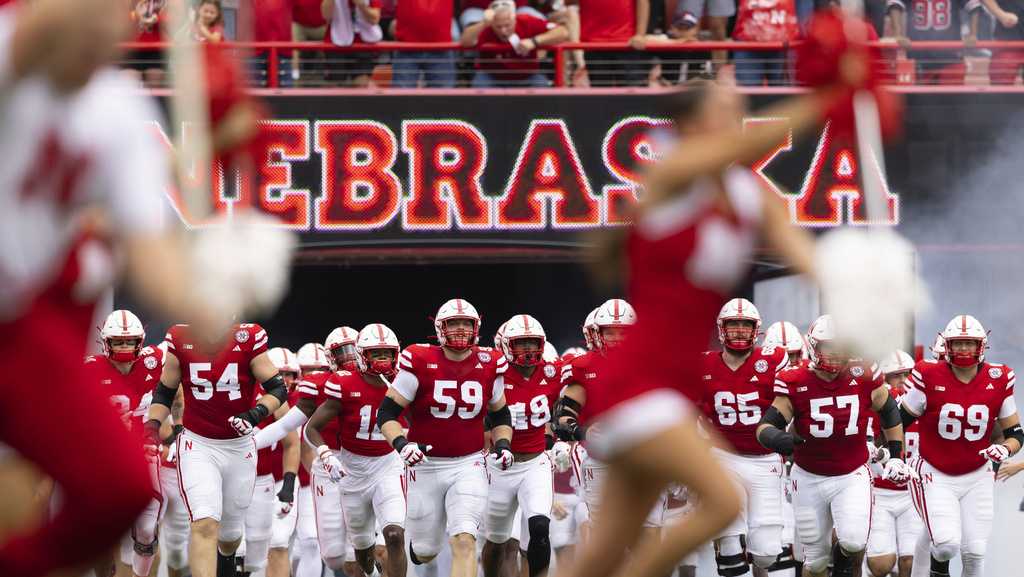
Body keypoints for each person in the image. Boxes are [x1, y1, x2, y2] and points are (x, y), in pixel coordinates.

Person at [555, 57, 879, 577]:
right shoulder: (669, 171)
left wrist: (864, 299)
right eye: (728, 108)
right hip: (640, 381)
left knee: (597, 557)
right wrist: (830, 98)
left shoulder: (754, 196)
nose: (739, 116)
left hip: (672, 387)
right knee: (726, 500)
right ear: (691, 122)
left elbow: (810, 260)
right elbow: (742, 148)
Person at [0, 0, 282, 573]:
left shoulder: (117, 110)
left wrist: (203, 306)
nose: (102, 27)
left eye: (117, 14)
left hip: (27, 327)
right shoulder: (11, 52)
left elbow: (147, 246)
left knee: (119, 489)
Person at [756, 315, 914, 577]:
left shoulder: (863, 373)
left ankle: (841, 563)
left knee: (853, 541)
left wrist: (896, 454)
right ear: (813, 347)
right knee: (815, 562)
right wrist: (777, 438)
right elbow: (764, 427)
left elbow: (888, 411)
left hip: (851, 473)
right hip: (808, 476)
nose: (835, 353)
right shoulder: (795, 380)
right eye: (828, 347)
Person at [376, 298, 514, 577]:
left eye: (466, 324)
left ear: (476, 328)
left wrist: (502, 445)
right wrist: (402, 445)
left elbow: (500, 415)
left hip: (470, 464)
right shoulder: (420, 359)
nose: (461, 329)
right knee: (426, 550)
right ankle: (418, 550)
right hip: (426, 466)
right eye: (454, 323)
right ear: (441, 328)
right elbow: (387, 414)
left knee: (465, 540)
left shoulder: (490, 363)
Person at [144, 322, 288, 577]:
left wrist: (256, 413)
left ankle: (226, 558)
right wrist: (152, 427)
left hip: (238, 446)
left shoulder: (247, 337)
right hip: (198, 444)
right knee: (204, 523)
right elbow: (165, 392)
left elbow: (277, 388)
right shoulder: (180, 337)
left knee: (231, 535)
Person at [900, 315, 1022, 577]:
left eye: (969, 343)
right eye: (958, 343)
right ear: (948, 346)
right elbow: (899, 419)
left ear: (981, 346)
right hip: (935, 471)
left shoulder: (999, 377)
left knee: (975, 552)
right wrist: (888, 452)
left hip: (977, 474)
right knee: (945, 545)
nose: (964, 349)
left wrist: (1005, 449)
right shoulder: (927, 373)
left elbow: (1015, 433)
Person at [306, 323, 409, 577]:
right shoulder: (343, 383)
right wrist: (326, 454)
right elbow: (311, 428)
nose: (383, 359)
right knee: (361, 549)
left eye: (387, 353)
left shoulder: (404, 381)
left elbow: (422, 419)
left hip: (388, 465)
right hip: (353, 471)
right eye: (376, 353)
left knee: (394, 535)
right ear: (363, 356)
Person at [698, 299, 789, 577]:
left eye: (745, 324)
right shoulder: (704, 364)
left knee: (767, 553)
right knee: (729, 545)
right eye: (733, 324)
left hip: (765, 459)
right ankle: (727, 550)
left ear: (755, 329)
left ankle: (753, 552)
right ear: (722, 329)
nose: (739, 330)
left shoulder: (773, 360)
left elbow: (792, 402)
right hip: (723, 455)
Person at [84, 310, 170, 577]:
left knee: (146, 529)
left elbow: (178, 370)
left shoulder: (154, 361)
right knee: (100, 530)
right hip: (104, 455)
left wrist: (173, 427)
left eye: (130, 341)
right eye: (119, 342)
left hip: (143, 450)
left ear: (140, 342)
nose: (124, 347)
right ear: (106, 343)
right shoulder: (89, 368)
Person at [483, 315, 562, 577]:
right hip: (499, 466)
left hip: (535, 463)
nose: (528, 349)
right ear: (506, 346)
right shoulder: (494, 375)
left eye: (532, 342)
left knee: (540, 527)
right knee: (497, 542)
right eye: (521, 343)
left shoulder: (553, 372)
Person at [243, 347, 300, 577]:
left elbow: (292, 443)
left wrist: (288, 485)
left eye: (289, 374)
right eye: (280, 373)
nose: (285, 380)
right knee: (232, 545)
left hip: (268, 481)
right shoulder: (233, 390)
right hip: (233, 478)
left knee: (272, 544)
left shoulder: (280, 399)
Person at [867, 349, 921, 577]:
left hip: (912, 491)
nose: (902, 382)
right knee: (880, 565)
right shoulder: (877, 408)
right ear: (883, 379)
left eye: (907, 374)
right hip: (880, 490)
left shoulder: (922, 403)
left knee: (910, 561)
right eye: (895, 376)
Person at [460, 0, 569, 87]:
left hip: (527, 76)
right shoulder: (486, 27)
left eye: (507, 25)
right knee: (479, 85)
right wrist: (483, 23)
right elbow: (465, 42)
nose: (503, 30)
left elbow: (563, 32)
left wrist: (535, 41)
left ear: (514, 19)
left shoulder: (527, 21)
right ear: (492, 23)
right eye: (498, 26)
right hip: (491, 77)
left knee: (543, 88)